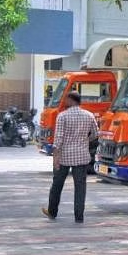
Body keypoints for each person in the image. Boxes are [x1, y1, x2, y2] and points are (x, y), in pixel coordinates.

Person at [42, 91, 98, 223]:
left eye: (66, 99)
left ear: (71, 100)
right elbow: (95, 133)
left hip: (64, 156)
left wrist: (55, 157)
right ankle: (79, 217)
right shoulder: (89, 115)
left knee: (57, 184)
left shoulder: (63, 116)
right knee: (80, 187)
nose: (65, 101)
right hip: (81, 156)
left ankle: (52, 212)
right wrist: (85, 139)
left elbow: (59, 138)